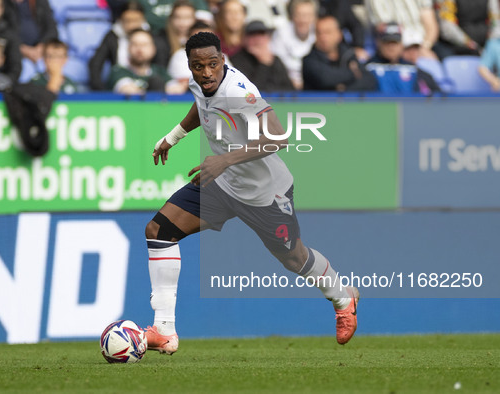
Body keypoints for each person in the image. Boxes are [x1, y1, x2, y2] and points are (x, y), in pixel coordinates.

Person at [143, 31, 360, 355]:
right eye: (197, 66)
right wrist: (173, 137)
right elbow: (201, 108)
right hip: (221, 184)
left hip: (264, 193)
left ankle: (343, 296)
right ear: (189, 65)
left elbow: (278, 138)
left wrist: (224, 160)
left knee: (293, 257)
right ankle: (164, 330)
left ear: (223, 61)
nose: (206, 73)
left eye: (212, 65)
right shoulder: (200, 83)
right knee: (159, 231)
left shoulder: (240, 92)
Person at [89, 1, 169, 91]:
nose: (132, 25)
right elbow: (96, 63)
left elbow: (160, 68)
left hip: (149, 86)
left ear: (143, 19)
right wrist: (100, 91)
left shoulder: (151, 36)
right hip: (120, 83)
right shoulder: (112, 36)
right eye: (127, 21)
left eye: (136, 20)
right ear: (120, 20)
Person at [302, 15, 376, 91]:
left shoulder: (348, 55)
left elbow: (369, 81)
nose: (323, 37)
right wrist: (353, 73)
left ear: (339, 35)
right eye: (319, 33)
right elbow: (325, 79)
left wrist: (344, 90)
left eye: (328, 32)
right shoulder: (309, 60)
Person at [366, 22, 439, 95]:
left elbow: (439, 97)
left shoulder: (413, 70)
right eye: (387, 42)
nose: (391, 47)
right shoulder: (368, 69)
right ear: (379, 43)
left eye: (395, 43)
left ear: (401, 44)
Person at [107, 28, 183, 94]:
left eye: (144, 45)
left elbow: (176, 89)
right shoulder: (118, 71)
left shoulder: (160, 71)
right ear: (128, 48)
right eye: (135, 44)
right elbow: (127, 89)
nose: (140, 50)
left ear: (153, 49)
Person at [230, 20, 294, 91]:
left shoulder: (275, 59)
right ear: (244, 39)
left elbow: (290, 89)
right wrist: (264, 65)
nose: (257, 40)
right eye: (252, 35)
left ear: (268, 38)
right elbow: (249, 91)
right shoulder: (236, 61)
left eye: (261, 34)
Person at [365, 0, 440, 60]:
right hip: (395, 43)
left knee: (431, 64)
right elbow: (383, 28)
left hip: (421, 45)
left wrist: (424, 47)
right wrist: (401, 50)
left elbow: (431, 26)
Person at [271, 0, 317, 89]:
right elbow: (277, 66)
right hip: (286, 85)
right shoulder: (281, 34)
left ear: (314, 17)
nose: (303, 20)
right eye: (299, 15)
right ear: (292, 17)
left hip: (314, 86)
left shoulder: (320, 33)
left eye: (307, 15)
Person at [435, 0, 500, 57]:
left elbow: (496, 22)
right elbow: (447, 27)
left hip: (486, 44)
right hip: (457, 46)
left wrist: (491, 44)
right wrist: (467, 42)